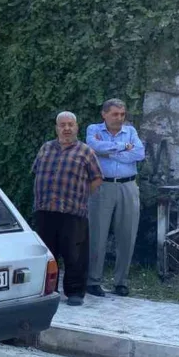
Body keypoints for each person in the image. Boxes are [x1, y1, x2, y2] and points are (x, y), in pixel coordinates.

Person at [32, 111, 103, 306]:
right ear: (56, 128)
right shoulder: (45, 148)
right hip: (45, 209)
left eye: (70, 124)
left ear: (76, 127)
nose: (66, 128)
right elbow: (36, 171)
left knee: (75, 254)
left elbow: (97, 178)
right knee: (48, 253)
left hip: (73, 210)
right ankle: (48, 289)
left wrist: (82, 194)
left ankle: (75, 292)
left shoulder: (85, 151)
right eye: (62, 125)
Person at [85, 98, 146, 297]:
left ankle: (121, 281)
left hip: (128, 186)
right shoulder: (93, 129)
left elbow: (139, 154)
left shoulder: (131, 131)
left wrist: (108, 153)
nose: (119, 118)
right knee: (97, 233)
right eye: (115, 114)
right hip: (102, 186)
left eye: (122, 114)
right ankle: (93, 281)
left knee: (127, 234)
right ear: (104, 114)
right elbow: (92, 147)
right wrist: (122, 147)